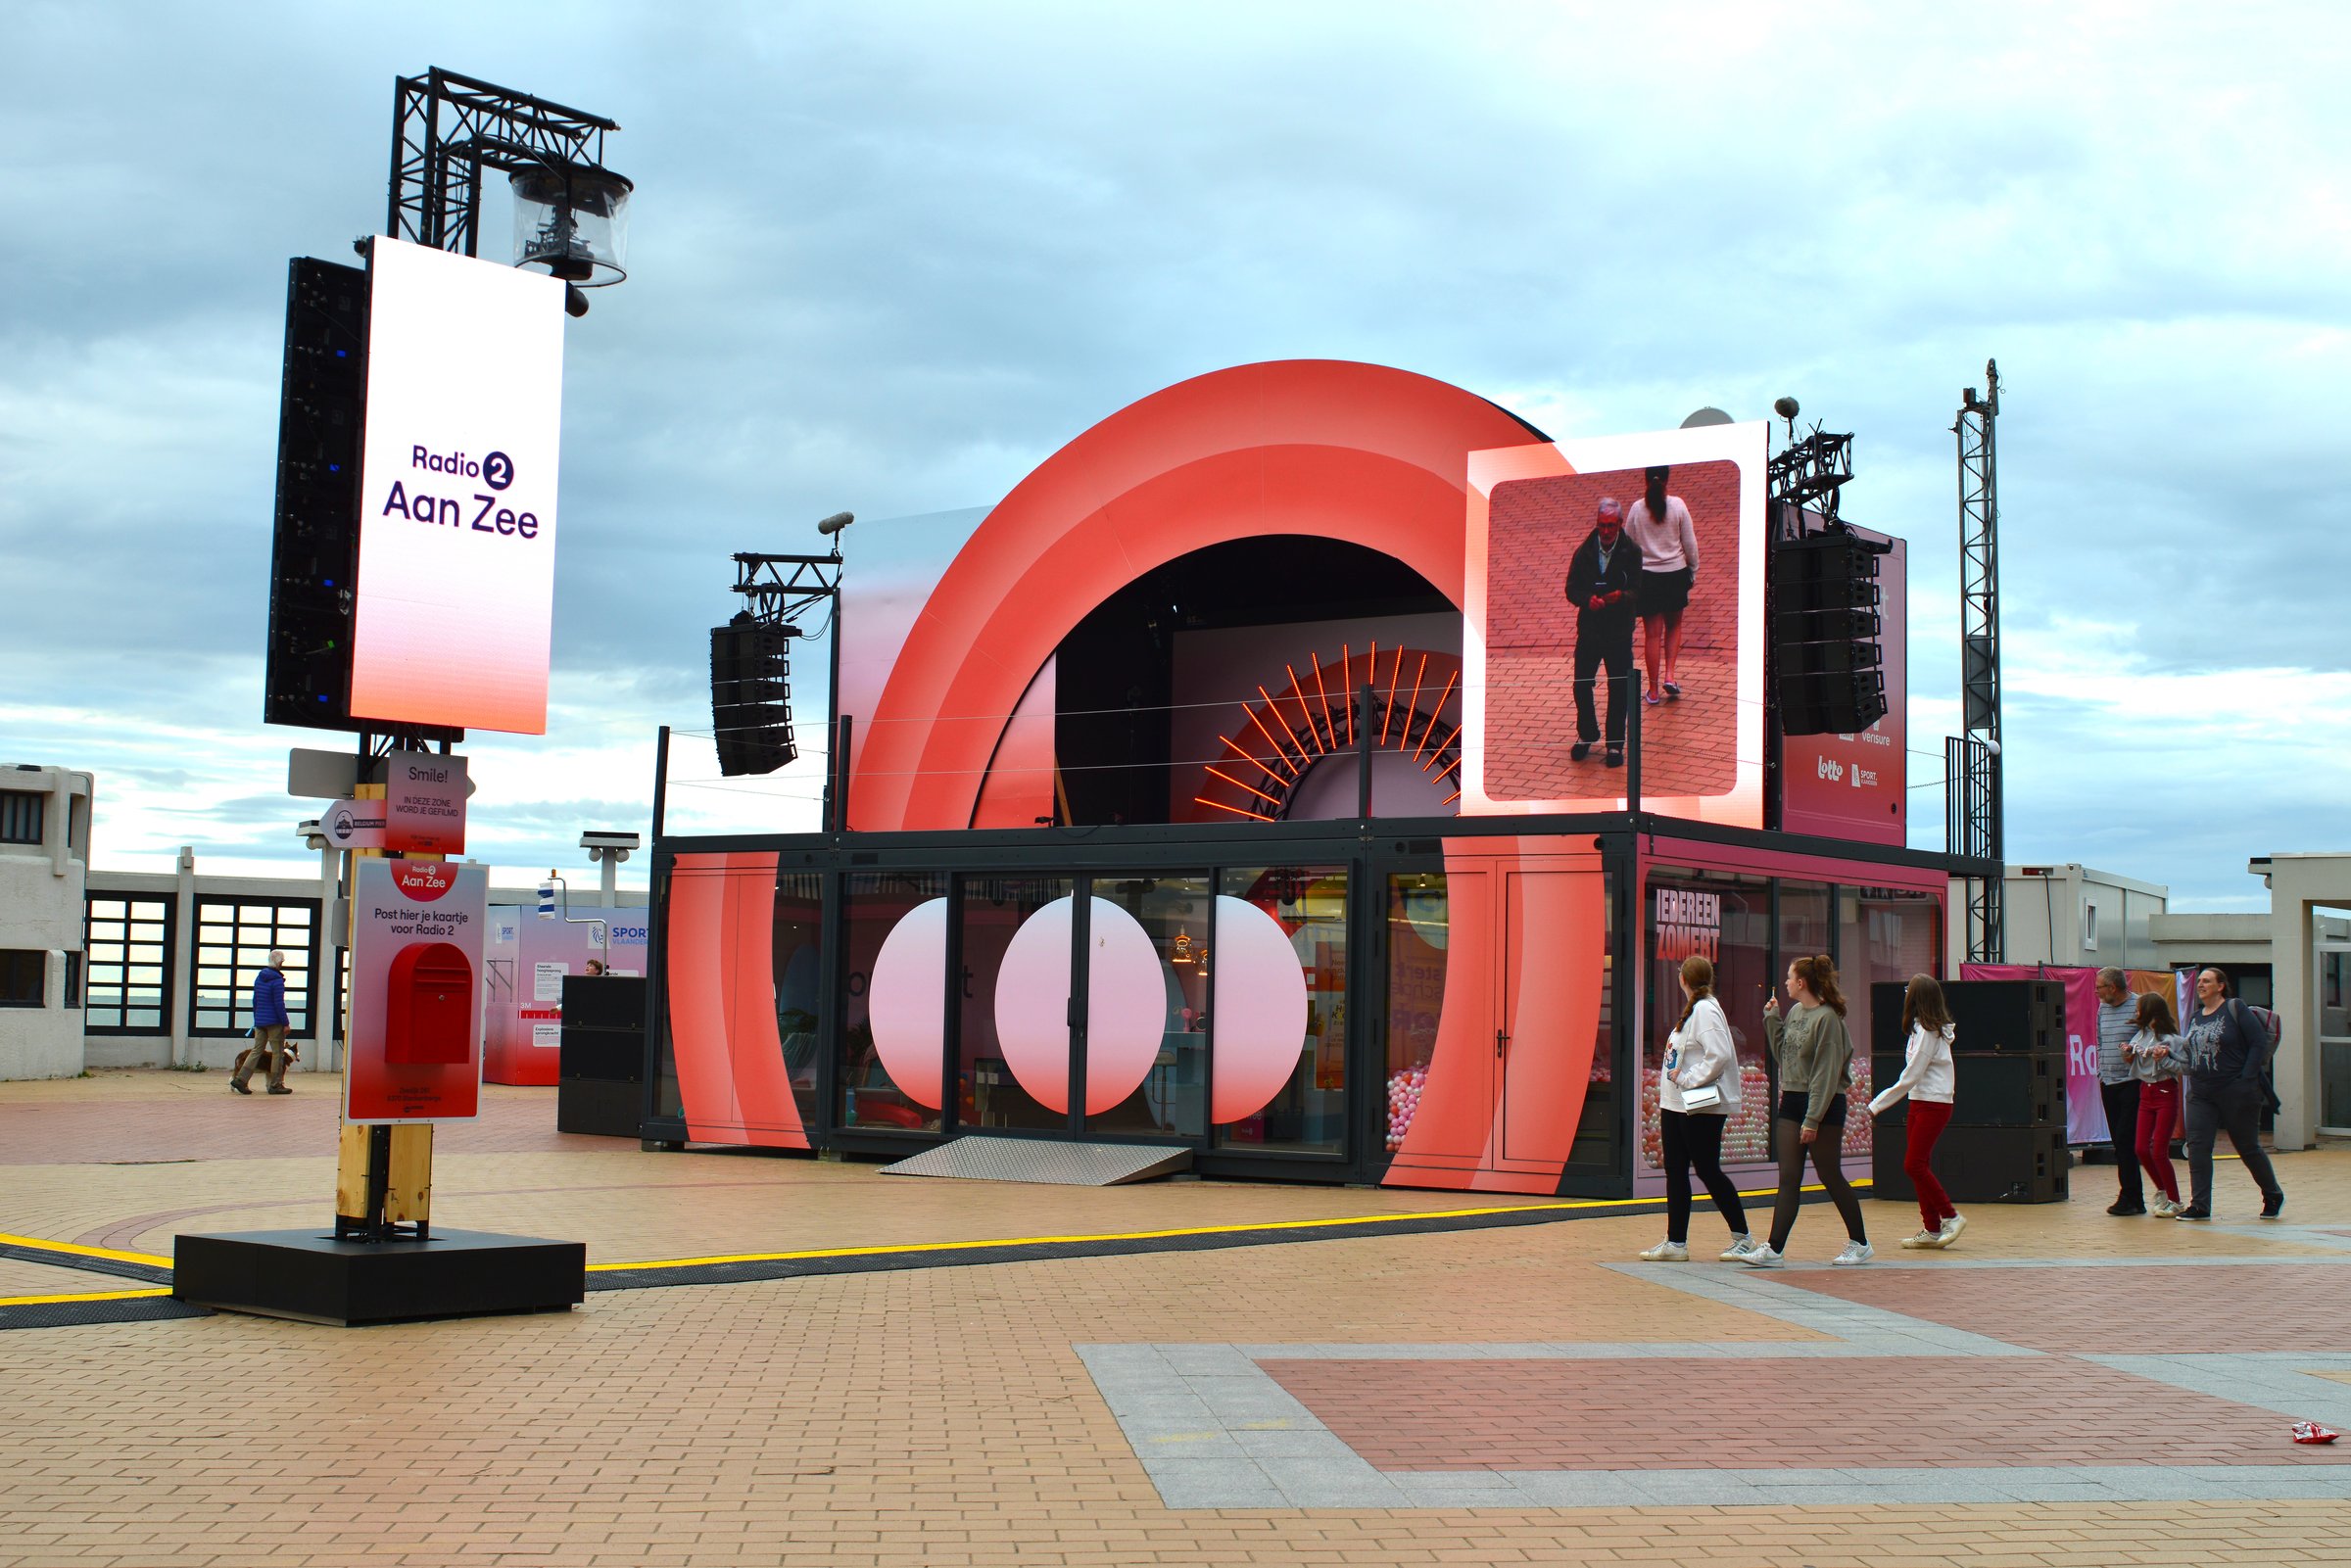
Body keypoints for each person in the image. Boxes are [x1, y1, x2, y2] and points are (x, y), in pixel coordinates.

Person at [1745, 954, 1871, 1267]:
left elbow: (1826, 1075)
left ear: (1801, 983)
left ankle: (1860, 1242)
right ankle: (1774, 1249)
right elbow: (1785, 1056)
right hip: (1793, 1100)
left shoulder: (1828, 1019)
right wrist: (1771, 1019)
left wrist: (1813, 1119)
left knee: (1830, 1175)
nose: (1785, 982)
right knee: (1788, 1177)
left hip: (1825, 1104)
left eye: (1789, 977)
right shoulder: (1797, 1011)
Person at [1639, 955, 1758, 1261]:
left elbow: (1717, 1055)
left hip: (1698, 1106)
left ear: (1683, 979)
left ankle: (1742, 1237)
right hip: (1677, 1105)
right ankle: (1676, 1241)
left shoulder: (1705, 1010)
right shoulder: (1697, 1009)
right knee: (1676, 1170)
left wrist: (1689, 1079)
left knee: (1707, 1169)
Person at [2176, 967, 2284, 1220]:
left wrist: (2246, 1079)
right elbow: (2191, 1053)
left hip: (2236, 1091)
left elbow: (2257, 1043)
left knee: (2247, 1147)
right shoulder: (2195, 1017)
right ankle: (2200, 1205)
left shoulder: (2235, 1008)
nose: (2201, 984)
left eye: (2207, 981)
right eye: (2200, 981)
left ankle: (2272, 1193)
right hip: (2201, 1092)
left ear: (2220, 986)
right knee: (2198, 1147)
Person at [1867, 974, 1963, 1249]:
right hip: (1920, 1101)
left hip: (1934, 1102)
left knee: (1914, 1164)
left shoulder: (1929, 1033)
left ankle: (1951, 1217)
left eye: (1909, 991)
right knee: (1918, 1165)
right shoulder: (1921, 1029)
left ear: (1916, 998)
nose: (1905, 996)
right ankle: (1931, 1228)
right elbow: (1913, 1078)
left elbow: (1911, 1074)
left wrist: (1877, 1105)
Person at [1562, 496, 1641, 768]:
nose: (1605, 531)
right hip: (1590, 631)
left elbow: (1640, 590)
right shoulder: (1584, 551)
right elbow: (1571, 588)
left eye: (1610, 525)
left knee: (1619, 688)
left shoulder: (1632, 551)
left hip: (1619, 633)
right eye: (1601, 525)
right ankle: (1587, 734)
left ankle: (1615, 746)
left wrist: (1623, 596)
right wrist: (1587, 600)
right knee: (1582, 684)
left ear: (1620, 523)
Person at [1623, 464, 1700, 704]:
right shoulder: (1678, 505)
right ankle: (1670, 676)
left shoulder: (1637, 508)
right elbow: (1690, 544)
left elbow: (1628, 545)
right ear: (1667, 479)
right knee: (1674, 626)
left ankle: (1653, 691)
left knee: (1652, 635)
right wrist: (1692, 572)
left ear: (1645, 480)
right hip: (1675, 574)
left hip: (1647, 578)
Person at [2123, 990, 2187, 1215]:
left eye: (2140, 1007)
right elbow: (2131, 1057)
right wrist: (2127, 1052)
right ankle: (2162, 1190)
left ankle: (2176, 1200)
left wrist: (2165, 1059)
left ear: (2150, 1011)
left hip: (2165, 1092)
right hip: (2145, 1092)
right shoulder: (2141, 1034)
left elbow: (2184, 1068)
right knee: (2141, 1148)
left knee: (2159, 1150)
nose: (2137, 1011)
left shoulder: (2171, 1039)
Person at [2092, 969, 2146, 1215]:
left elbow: (2151, 1037)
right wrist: (2101, 1071)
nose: (2097, 992)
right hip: (2109, 1082)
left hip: (2131, 1082)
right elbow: (2101, 1040)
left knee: (2126, 1139)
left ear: (2113, 987)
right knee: (2119, 1140)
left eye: (2100, 987)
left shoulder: (2139, 1006)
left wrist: (2133, 1051)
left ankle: (2132, 1196)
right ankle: (2132, 1196)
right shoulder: (2103, 1009)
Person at [229, 950, 292, 1096]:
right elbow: (279, 1004)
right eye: (282, 961)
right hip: (274, 1022)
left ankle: (241, 1079)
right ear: (278, 962)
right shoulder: (277, 981)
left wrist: (257, 1018)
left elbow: (255, 1001)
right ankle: (275, 1085)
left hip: (260, 1021)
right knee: (278, 1053)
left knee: (257, 1050)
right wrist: (286, 1023)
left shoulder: (259, 977)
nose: (282, 964)